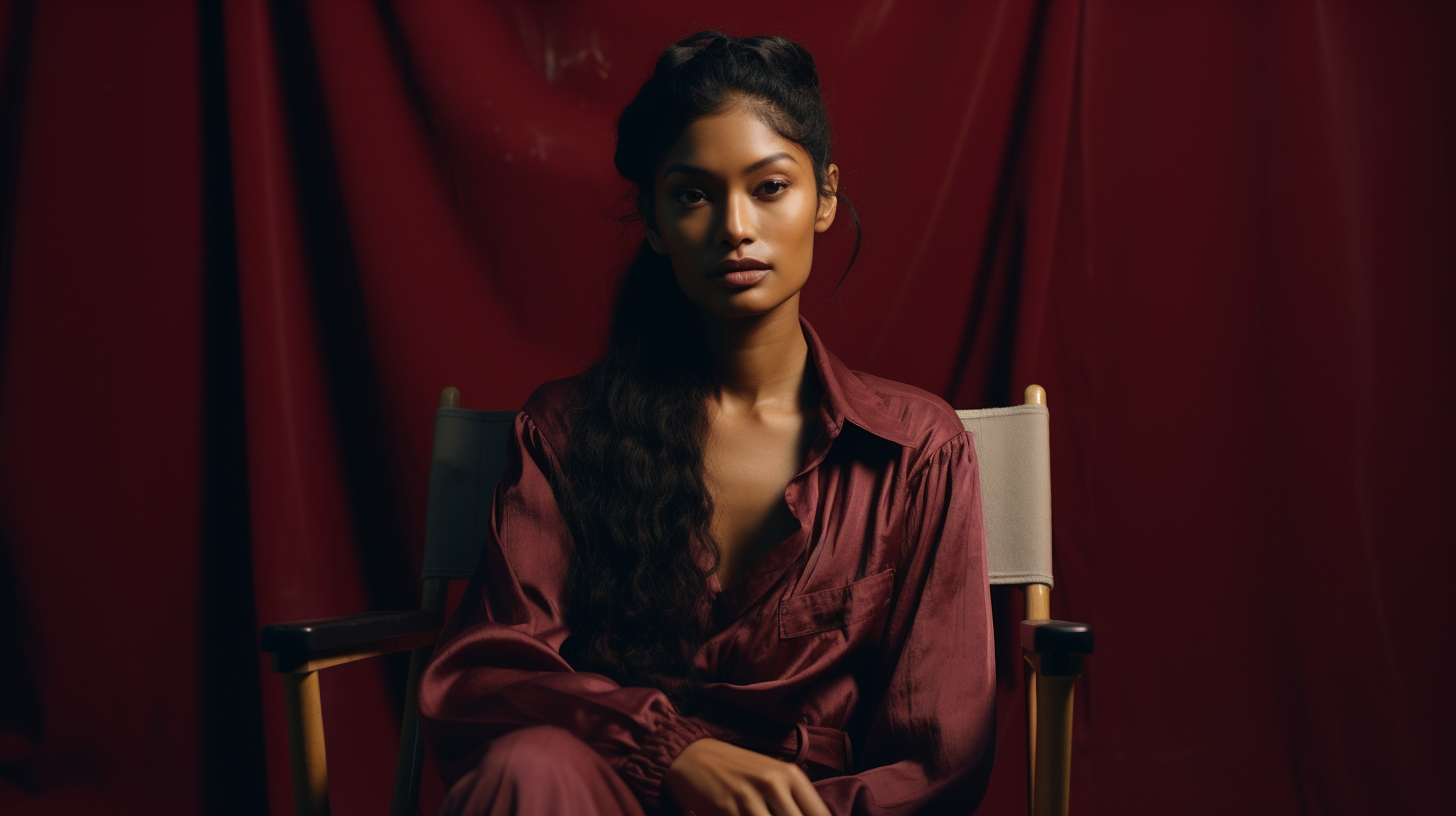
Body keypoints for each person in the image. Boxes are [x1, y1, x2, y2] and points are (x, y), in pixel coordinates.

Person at [419, 31, 995, 816]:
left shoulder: (915, 451)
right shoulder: (565, 433)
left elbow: (939, 757)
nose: (734, 225)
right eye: (693, 194)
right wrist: (667, 749)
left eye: (769, 187)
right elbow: (484, 680)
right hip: (611, 796)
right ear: (655, 222)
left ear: (824, 196)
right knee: (529, 768)